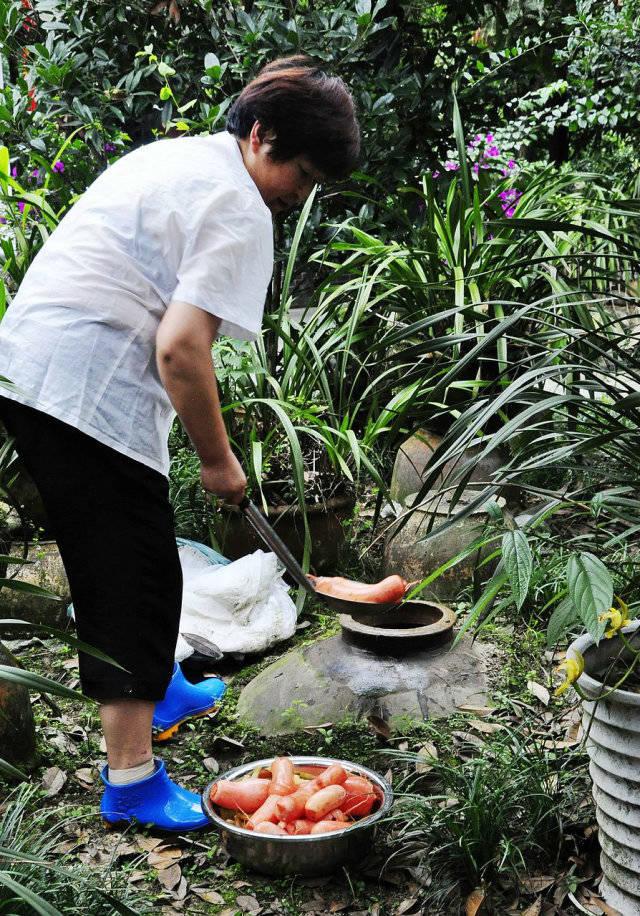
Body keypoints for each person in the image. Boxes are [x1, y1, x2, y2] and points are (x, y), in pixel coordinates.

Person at [0, 55, 360, 831]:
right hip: (81, 391)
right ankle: (130, 784)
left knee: (138, 547)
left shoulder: (186, 156)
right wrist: (219, 459)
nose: (300, 194)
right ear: (260, 135)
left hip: (42, 368)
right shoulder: (238, 206)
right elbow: (181, 349)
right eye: (300, 173)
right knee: (127, 574)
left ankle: (159, 685)